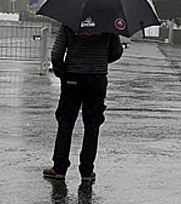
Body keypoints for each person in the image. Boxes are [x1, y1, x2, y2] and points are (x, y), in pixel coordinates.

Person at [43, 25, 123, 182]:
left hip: (73, 76)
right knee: (92, 125)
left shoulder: (70, 21)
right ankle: (87, 171)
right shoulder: (107, 23)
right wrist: (100, 58)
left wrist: (62, 72)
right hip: (97, 78)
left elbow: (56, 53)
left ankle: (59, 168)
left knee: (66, 122)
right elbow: (117, 52)